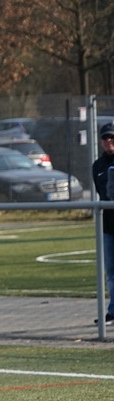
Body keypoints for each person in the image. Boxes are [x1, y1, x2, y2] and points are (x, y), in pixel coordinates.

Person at [93, 122, 114, 325]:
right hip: (108, 226)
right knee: (110, 271)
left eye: (112, 137)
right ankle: (113, 311)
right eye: (105, 138)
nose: (108, 141)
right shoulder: (97, 166)